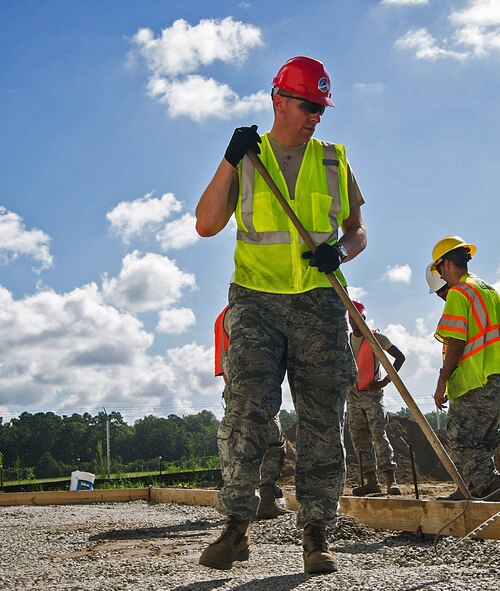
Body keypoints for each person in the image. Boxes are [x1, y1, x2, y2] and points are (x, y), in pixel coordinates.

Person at [195, 56, 366, 575]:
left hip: (318, 304)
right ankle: (236, 527)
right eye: (309, 105)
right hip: (256, 303)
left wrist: (341, 250)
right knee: (246, 412)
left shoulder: (334, 160)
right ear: (279, 100)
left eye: (321, 107)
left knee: (320, 422)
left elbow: (358, 230)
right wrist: (228, 159)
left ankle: (316, 535)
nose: (316, 116)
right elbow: (205, 224)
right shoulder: (248, 158)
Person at [430, 236, 500, 502]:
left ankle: (491, 491)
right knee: (485, 441)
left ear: (446, 264)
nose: (441, 278)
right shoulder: (488, 290)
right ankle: (469, 489)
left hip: (473, 379)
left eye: (439, 270)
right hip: (494, 376)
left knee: (461, 439)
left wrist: (441, 381)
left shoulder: (459, 292)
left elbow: (456, 341)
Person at [214, 306, 292, 520]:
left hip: (252, 389)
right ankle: (251, 502)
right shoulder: (240, 312)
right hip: (250, 389)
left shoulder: (227, 315)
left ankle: (258, 500)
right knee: (259, 442)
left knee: (262, 441)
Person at [346, 300, 406, 496]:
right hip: (353, 398)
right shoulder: (345, 340)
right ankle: (371, 482)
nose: (359, 322)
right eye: (355, 319)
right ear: (350, 321)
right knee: (359, 440)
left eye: (361, 318)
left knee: (379, 437)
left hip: (372, 396)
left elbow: (400, 357)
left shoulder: (376, 338)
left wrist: (386, 381)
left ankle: (390, 480)